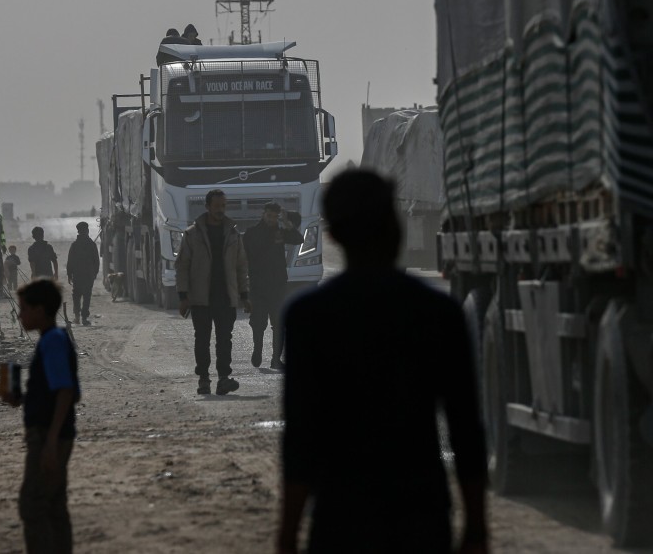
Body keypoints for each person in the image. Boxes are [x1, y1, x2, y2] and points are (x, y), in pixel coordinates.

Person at [278, 171, 487, 554]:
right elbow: (466, 429)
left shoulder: (310, 317)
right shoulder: (437, 312)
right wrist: (476, 529)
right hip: (421, 515)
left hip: (340, 518)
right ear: (394, 227)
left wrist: (288, 534)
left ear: (334, 235)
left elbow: (301, 438)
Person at [2, 278, 81, 554]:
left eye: (24, 308)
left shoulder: (53, 341)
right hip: (53, 433)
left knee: (33, 505)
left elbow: (66, 392)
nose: (20, 315)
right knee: (54, 505)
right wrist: (21, 398)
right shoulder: (52, 340)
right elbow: (57, 392)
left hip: (49, 434)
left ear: (39, 310)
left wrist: (50, 443)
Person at [175, 190, 250, 395]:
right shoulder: (192, 234)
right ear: (207, 207)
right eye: (216, 206)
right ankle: (204, 379)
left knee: (225, 340)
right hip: (201, 298)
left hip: (225, 297)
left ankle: (223, 379)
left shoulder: (233, 234)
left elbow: (241, 266)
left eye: (223, 206)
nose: (220, 210)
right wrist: (183, 297)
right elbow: (182, 266)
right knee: (202, 340)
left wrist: (244, 295)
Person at [242, 202, 303, 370]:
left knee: (279, 323)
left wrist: (287, 224)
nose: (272, 219)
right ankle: (257, 350)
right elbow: (243, 257)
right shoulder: (251, 233)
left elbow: (299, 239)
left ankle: (276, 359)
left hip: (278, 285)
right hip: (258, 286)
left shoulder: (281, 232)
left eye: (275, 217)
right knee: (258, 322)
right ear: (263, 214)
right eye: (269, 215)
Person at [65, 222, 99, 327]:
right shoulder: (92, 245)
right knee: (87, 296)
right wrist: (95, 273)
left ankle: (77, 317)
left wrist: (69, 274)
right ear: (87, 231)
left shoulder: (74, 245)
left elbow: (70, 261)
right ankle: (84, 318)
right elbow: (96, 261)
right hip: (88, 275)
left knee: (76, 295)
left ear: (78, 231)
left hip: (77, 274)